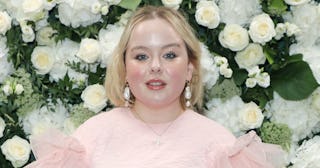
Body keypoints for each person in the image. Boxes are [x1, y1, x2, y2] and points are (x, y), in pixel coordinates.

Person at [25, 5, 285, 168]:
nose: (156, 66)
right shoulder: (90, 138)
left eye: (170, 55)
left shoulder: (220, 146)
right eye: (141, 56)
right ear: (125, 69)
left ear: (190, 68)